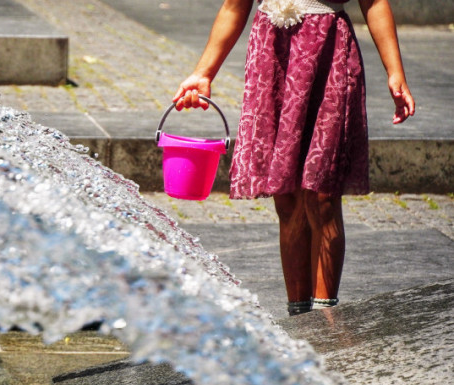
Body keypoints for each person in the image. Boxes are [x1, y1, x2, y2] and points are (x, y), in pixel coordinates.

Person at [174, 0, 415, 316]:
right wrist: (203, 72)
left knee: (323, 192)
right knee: (286, 198)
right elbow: (235, 7)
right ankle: (299, 317)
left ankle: (325, 317)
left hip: (329, 54)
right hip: (272, 54)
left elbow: (374, 2)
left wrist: (395, 71)